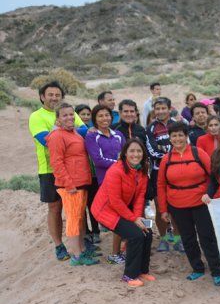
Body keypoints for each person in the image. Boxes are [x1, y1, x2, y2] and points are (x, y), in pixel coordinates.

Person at [157, 122, 220, 286]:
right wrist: (163, 210)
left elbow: (213, 175)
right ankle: (197, 268)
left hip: (200, 202)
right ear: (170, 138)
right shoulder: (166, 159)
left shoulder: (198, 153)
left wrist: (211, 195)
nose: (177, 138)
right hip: (177, 206)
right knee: (188, 238)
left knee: (207, 237)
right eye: (174, 136)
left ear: (186, 136)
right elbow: (161, 185)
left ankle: (217, 271)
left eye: (181, 135)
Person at [29, 82, 88, 261]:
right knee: (55, 207)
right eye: (50, 94)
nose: (54, 97)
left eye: (57, 95)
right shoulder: (36, 116)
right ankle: (59, 245)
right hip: (48, 169)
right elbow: (46, 140)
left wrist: (67, 129)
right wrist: (66, 131)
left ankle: (81, 243)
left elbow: (84, 131)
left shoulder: (68, 112)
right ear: (42, 96)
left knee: (78, 208)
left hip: (74, 170)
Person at [92, 139, 154, 287]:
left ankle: (142, 271)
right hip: (105, 211)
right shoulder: (116, 170)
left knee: (148, 232)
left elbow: (140, 197)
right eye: (132, 151)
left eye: (139, 151)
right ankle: (129, 275)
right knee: (135, 235)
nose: (136, 154)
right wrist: (133, 219)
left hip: (123, 210)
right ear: (125, 153)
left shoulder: (142, 171)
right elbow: (115, 201)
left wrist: (138, 217)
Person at [47, 103, 99, 266]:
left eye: (71, 114)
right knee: (73, 219)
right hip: (70, 186)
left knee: (79, 217)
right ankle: (76, 256)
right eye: (65, 115)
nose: (69, 117)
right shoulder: (57, 136)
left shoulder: (75, 133)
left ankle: (82, 249)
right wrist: (69, 185)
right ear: (58, 120)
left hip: (82, 182)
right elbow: (57, 163)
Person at [85, 104, 126, 263]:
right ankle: (115, 254)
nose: (104, 118)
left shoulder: (118, 135)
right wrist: (120, 163)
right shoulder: (92, 136)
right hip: (107, 182)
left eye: (107, 115)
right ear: (95, 119)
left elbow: (127, 154)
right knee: (117, 216)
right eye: (100, 116)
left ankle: (123, 250)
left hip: (124, 180)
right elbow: (98, 160)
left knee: (126, 213)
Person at [144, 97, 181, 252]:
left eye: (163, 108)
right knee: (160, 208)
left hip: (178, 171)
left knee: (177, 207)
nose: (160, 111)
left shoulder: (179, 125)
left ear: (169, 108)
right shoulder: (150, 128)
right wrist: (171, 151)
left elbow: (183, 145)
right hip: (158, 173)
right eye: (157, 108)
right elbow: (152, 151)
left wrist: (164, 149)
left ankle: (179, 240)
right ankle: (164, 239)